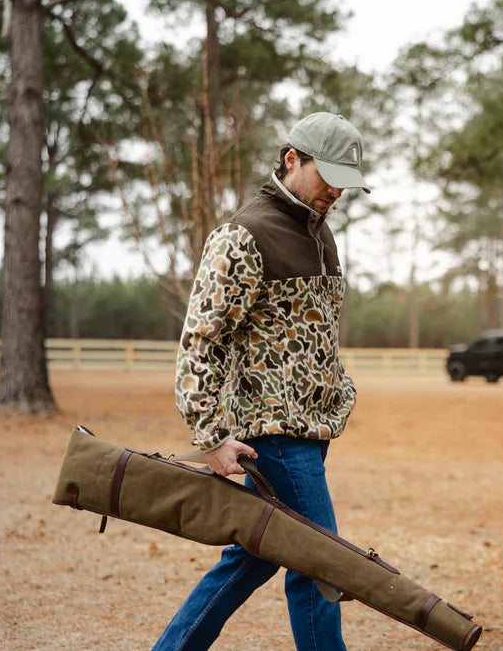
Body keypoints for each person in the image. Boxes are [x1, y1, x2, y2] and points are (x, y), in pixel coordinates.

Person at [155, 112, 370, 651]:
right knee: (318, 562)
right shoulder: (243, 235)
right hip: (272, 433)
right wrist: (209, 436)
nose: (337, 192)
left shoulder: (321, 234)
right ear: (292, 159)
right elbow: (202, 340)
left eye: (347, 181)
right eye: (329, 177)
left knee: (252, 559)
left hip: (310, 431)